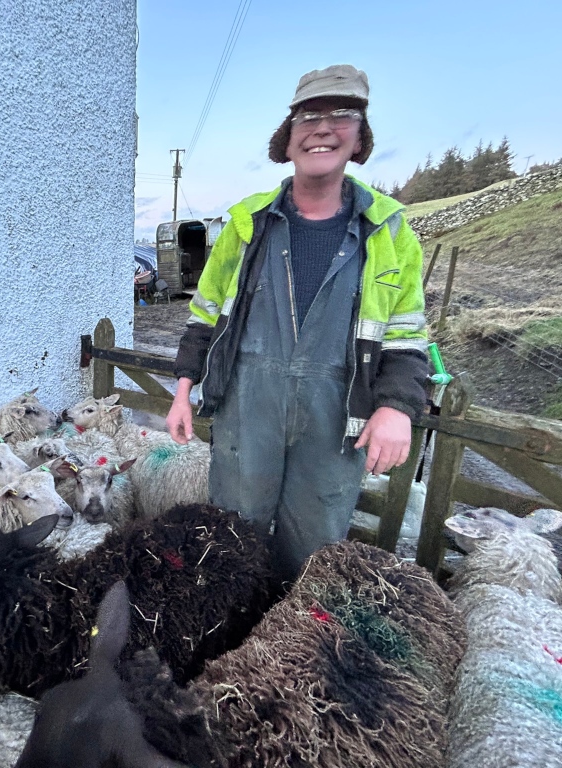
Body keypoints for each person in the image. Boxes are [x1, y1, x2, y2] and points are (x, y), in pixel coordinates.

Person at [165, 64, 428, 581]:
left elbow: (406, 335)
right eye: (309, 115)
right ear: (287, 140)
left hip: (336, 418)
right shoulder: (246, 224)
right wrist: (181, 391)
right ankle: (228, 638)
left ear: (360, 139)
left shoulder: (390, 233)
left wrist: (397, 408)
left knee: (313, 547)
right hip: (247, 407)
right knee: (229, 537)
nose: (324, 127)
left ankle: (288, 648)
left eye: (343, 114)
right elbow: (205, 316)